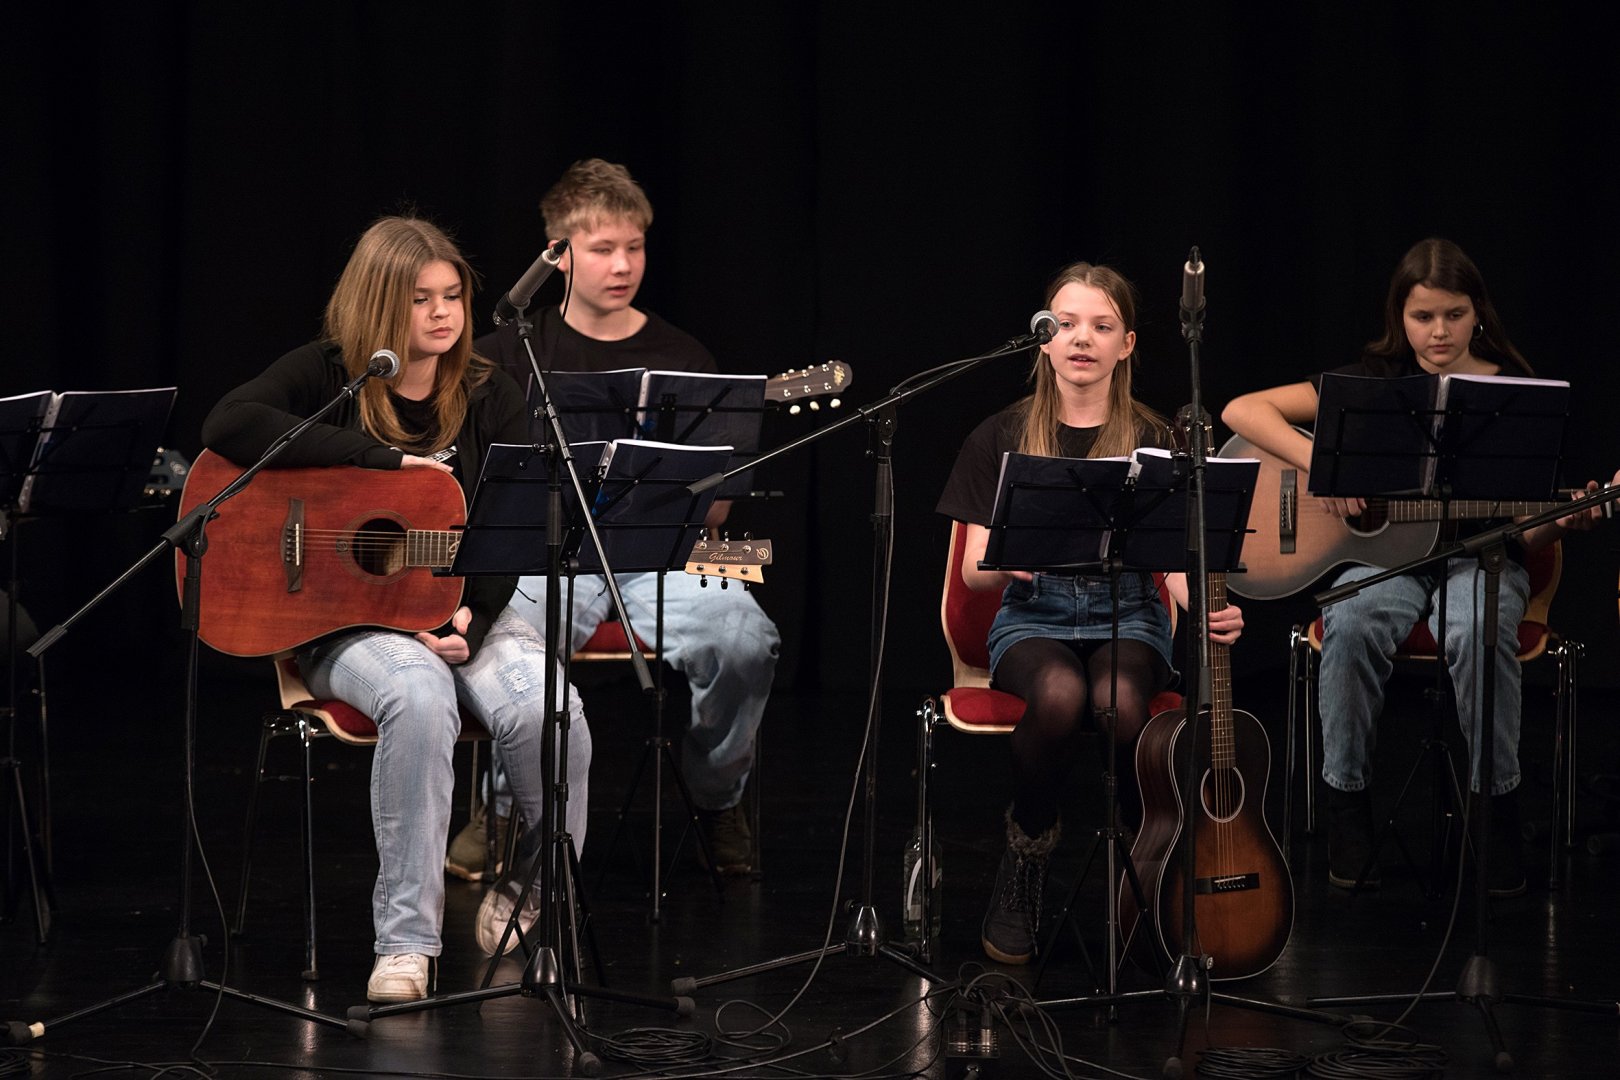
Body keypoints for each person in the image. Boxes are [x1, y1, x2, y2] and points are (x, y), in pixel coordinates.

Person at [201, 216, 591, 1002]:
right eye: (421, 299)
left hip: (463, 610)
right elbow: (229, 424)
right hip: (342, 621)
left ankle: (532, 900)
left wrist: (472, 619)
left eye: (453, 295)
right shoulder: (329, 373)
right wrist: (381, 461)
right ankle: (406, 945)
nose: (443, 313)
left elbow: (510, 533)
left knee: (548, 710)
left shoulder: (490, 392)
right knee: (417, 696)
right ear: (380, 302)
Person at [1221, 237, 1610, 897]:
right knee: (1350, 622)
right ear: (1399, 317)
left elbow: (1528, 530)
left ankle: (1493, 810)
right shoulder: (1376, 384)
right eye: (1422, 316)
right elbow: (1240, 411)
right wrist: (1326, 466)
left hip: (1486, 558)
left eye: (1454, 315)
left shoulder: (1512, 392)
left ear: (1477, 313)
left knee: (1473, 628)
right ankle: (1348, 805)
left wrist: (1566, 519)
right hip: (1384, 562)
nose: (1438, 331)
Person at [469, 158, 780, 877]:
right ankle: (506, 807)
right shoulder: (509, 351)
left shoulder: (682, 355)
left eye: (634, 247)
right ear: (558, 254)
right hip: (550, 555)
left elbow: (718, 503)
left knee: (745, 640)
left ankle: (717, 797)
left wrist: (681, 488)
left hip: (661, 557)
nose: (622, 265)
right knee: (510, 639)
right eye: (603, 248)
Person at [937, 261, 1244, 965]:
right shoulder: (1001, 433)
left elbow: (1173, 563)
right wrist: (1008, 558)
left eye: (1102, 326)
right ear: (1042, 337)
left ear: (1126, 344)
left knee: (1118, 701)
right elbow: (972, 568)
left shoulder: (1156, 434)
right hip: (1033, 618)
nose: (1082, 339)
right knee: (1058, 693)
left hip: (1128, 614)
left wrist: (1210, 610)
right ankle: (1027, 853)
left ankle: (1148, 859)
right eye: (1067, 324)